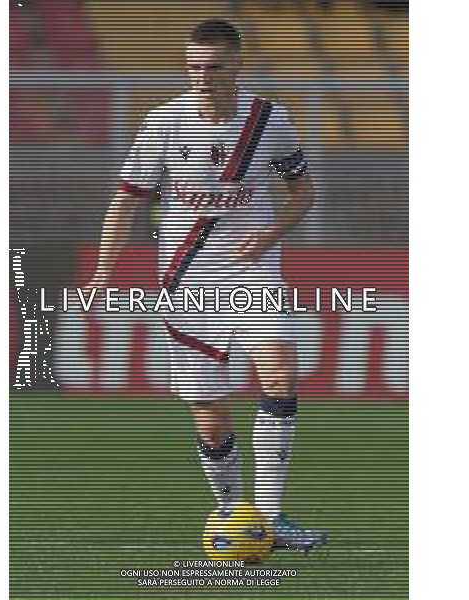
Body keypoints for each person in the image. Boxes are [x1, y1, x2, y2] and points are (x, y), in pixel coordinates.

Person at [88, 19, 327, 552]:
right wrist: (104, 271)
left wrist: (270, 233)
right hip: (185, 281)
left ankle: (269, 518)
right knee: (210, 411)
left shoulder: (270, 118)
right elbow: (128, 200)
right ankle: (231, 511)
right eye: (193, 66)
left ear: (239, 65)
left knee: (280, 371)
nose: (202, 76)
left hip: (253, 275)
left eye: (214, 67)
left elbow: (302, 192)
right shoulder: (162, 123)